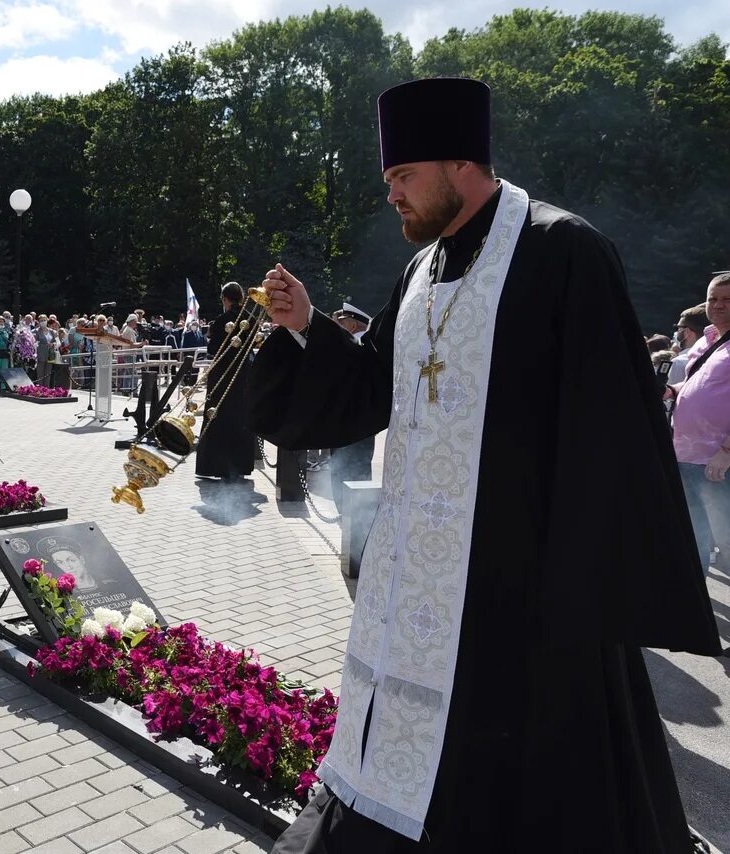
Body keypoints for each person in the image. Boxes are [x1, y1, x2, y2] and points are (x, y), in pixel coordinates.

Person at [250, 77, 718, 854]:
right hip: (419, 579)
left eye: (404, 177)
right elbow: (376, 383)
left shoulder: (564, 250)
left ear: (459, 162)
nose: (393, 195)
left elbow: (612, 433)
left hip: (524, 590)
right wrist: (306, 328)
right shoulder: (422, 271)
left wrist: (582, 582)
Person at [667, 272, 730, 576]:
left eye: (727, 299)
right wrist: (672, 391)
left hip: (717, 460)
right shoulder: (708, 340)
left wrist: (727, 451)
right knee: (695, 535)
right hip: (687, 455)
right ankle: (698, 610)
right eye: (713, 299)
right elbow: (698, 387)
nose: (718, 305)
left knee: (727, 540)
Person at [194, 282, 256, 480]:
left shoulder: (222, 320)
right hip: (244, 374)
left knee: (218, 416)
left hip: (223, 375)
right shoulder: (251, 318)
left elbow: (213, 349)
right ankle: (240, 466)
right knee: (240, 417)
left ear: (225, 299)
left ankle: (217, 466)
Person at [328, 303, 376, 511]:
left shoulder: (360, 345)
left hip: (354, 421)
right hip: (348, 420)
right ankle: (349, 512)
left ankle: (353, 514)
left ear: (354, 325)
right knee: (346, 468)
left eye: (343, 322)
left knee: (353, 468)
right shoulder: (354, 344)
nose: (338, 326)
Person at [668, 304, 709, 384]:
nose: (676, 332)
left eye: (679, 328)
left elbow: (671, 395)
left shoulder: (679, 363)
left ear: (687, 332)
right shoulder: (717, 356)